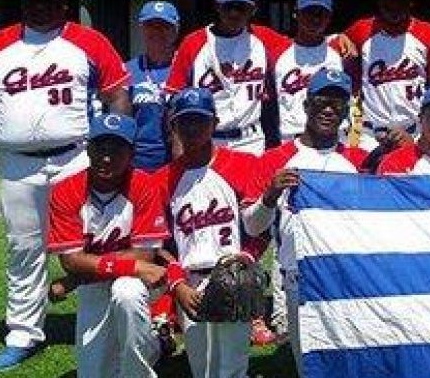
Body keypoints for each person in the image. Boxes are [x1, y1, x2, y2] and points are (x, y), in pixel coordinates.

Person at [0, 0, 131, 371]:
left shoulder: (88, 41)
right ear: (22, 1)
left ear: (64, 2)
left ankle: (104, 322)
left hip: (76, 157)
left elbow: (117, 95)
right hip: (18, 163)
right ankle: (23, 333)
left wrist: (118, 150)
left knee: (94, 241)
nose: (40, 5)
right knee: (24, 249)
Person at [256, 69, 372, 374]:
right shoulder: (276, 158)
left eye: (337, 104)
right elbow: (253, 227)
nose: (329, 110)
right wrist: (270, 194)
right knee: (309, 366)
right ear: (306, 106)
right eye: (322, 102)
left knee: (351, 362)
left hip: (347, 277)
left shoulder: (361, 160)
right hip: (299, 279)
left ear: (347, 112)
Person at [153, 88, 271, 378]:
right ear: (173, 126)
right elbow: (156, 244)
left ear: (215, 123)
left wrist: (248, 256)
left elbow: (261, 227)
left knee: (232, 368)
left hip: (234, 278)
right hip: (189, 281)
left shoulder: (243, 165)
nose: (192, 128)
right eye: (185, 121)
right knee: (202, 368)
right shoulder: (161, 180)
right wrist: (177, 282)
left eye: (200, 120)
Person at [46, 113, 172, 378]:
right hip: (99, 280)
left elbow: (146, 255)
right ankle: (158, 343)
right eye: (100, 148)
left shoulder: (144, 185)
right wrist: (131, 263)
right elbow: (71, 261)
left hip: (139, 281)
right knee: (92, 373)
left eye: (116, 150)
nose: (106, 157)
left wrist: (75, 277)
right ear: (87, 148)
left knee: (125, 292)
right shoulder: (66, 190)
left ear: (132, 153)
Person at [166, 0, 290, 155]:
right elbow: (174, 100)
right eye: (228, 6)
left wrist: (338, 40)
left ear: (252, 9)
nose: (234, 13)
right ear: (217, 6)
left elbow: (304, 48)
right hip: (205, 141)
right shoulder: (193, 43)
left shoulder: (265, 39)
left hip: (251, 141)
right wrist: (179, 150)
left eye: (241, 8)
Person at [344, 0, 430, 152]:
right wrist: (338, 38)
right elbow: (325, 46)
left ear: (411, 1)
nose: (394, 4)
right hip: (367, 136)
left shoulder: (429, 34)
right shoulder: (360, 31)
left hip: (413, 134)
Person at [273, 0, 351, 143]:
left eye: (320, 14)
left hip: (335, 139)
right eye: (308, 13)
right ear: (296, 14)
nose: (315, 19)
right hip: (291, 138)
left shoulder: (342, 50)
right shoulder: (276, 50)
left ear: (329, 17)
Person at [126, 0, 180, 172]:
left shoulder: (187, 66)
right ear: (142, 29)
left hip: (179, 160)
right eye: (151, 26)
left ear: (176, 30)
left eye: (164, 26)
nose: (157, 32)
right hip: (139, 163)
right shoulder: (127, 70)